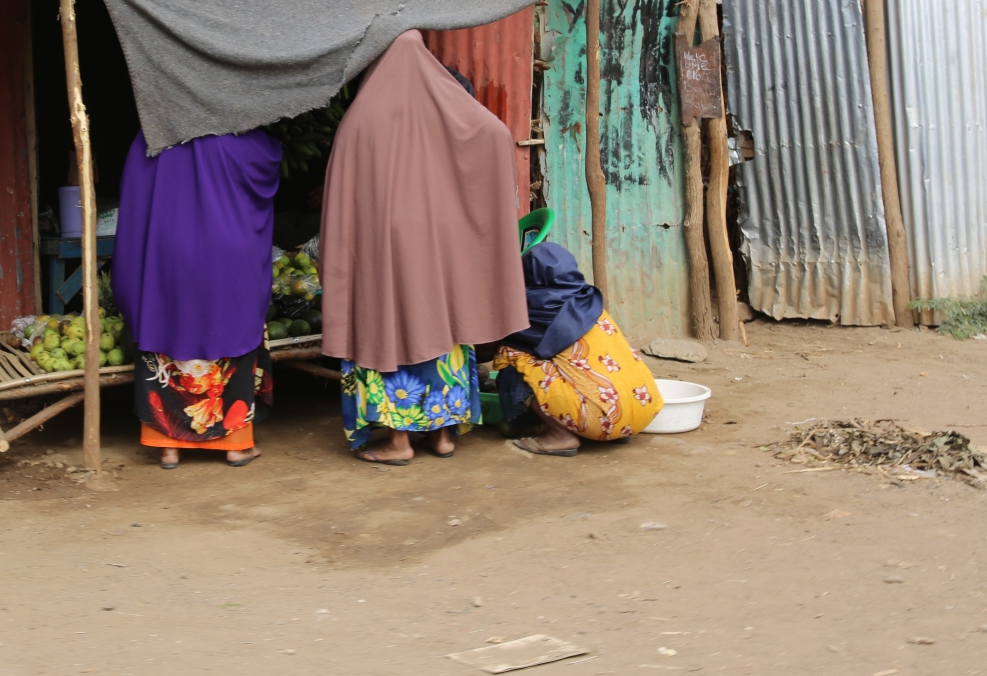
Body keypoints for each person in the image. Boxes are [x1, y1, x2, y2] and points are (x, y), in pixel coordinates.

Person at [319, 30, 528, 464]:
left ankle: (397, 443)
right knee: (446, 325)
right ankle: (443, 435)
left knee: (389, 331)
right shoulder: (453, 111)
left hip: (384, 246)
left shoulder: (363, 117)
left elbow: (343, 195)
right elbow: (493, 132)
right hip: (441, 244)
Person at [112, 129, 283, 468]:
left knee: (166, 322)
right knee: (233, 325)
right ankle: (235, 444)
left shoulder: (150, 135)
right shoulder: (236, 135)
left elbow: (132, 204)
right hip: (228, 253)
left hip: (167, 253)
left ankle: (169, 445)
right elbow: (267, 163)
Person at [492, 243, 664, 456]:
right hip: (645, 410)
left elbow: (500, 341)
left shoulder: (536, 311)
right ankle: (618, 427)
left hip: (603, 422)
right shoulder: (589, 299)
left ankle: (560, 435)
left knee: (509, 355)